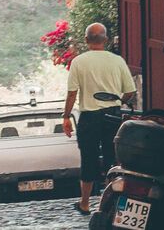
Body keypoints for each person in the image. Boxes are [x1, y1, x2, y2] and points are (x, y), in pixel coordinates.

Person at [61, 21, 137, 216]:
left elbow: (72, 93)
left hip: (89, 117)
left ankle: (85, 203)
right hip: (112, 114)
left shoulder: (79, 62)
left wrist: (66, 117)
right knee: (114, 158)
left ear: (86, 40)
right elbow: (130, 91)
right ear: (106, 40)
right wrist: (119, 100)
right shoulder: (117, 61)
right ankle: (114, 202)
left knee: (88, 158)